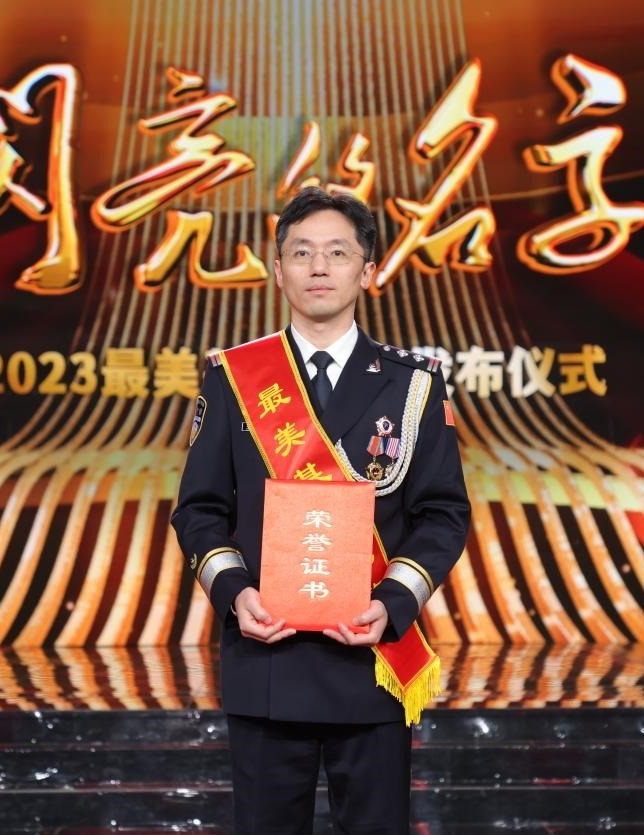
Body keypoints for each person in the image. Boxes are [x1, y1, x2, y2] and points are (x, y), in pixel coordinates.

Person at [171, 187, 470, 835]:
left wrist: (394, 600)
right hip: (265, 657)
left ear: (368, 271)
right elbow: (198, 510)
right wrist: (234, 592)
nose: (318, 267)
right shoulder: (234, 377)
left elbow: (443, 513)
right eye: (301, 252)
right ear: (277, 270)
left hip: (372, 658)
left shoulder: (412, 383)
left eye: (337, 253)